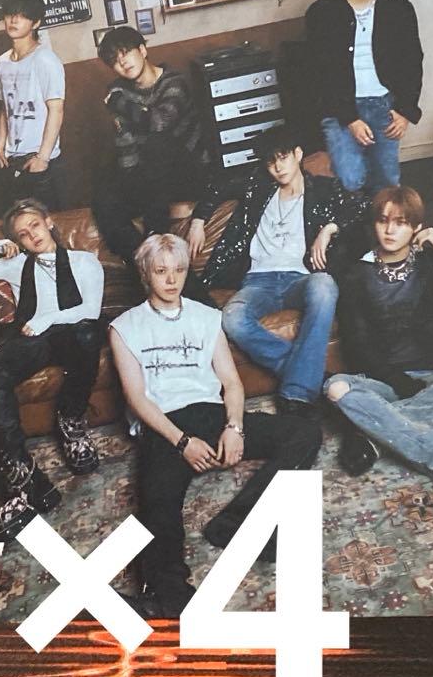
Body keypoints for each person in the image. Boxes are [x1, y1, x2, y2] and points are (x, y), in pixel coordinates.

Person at [109, 234, 321, 618]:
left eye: (179, 270)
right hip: (165, 425)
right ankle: (169, 594)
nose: (171, 280)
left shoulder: (206, 317)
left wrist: (234, 427)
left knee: (303, 432)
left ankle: (237, 522)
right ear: (145, 274)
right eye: (161, 271)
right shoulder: (124, 327)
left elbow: (232, 383)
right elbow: (137, 399)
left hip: (210, 413)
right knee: (157, 499)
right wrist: (181, 442)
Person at [187, 125, 367, 419]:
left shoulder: (323, 189)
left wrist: (329, 229)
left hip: (300, 279)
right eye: (271, 162)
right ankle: (308, 380)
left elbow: (362, 203)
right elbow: (217, 185)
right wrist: (198, 220)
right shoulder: (257, 187)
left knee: (324, 285)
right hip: (259, 282)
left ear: (298, 154)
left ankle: (297, 389)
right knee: (231, 317)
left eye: (283, 158)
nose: (278, 167)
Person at [324, 186, 433, 504]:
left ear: (415, 228)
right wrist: (400, 383)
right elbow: (357, 345)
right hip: (385, 382)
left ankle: (372, 437)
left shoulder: (430, 265)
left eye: (400, 222)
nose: (389, 230)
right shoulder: (356, 275)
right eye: (383, 221)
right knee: (335, 387)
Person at [0, 198, 105, 541]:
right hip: (33, 339)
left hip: (72, 333)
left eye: (35, 226)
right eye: (22, 234)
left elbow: (91, 309)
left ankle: (71, 422)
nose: (32, 236)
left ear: (49, 222)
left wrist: (48, 319)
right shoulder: (16, 265)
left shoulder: (85, 261)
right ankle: (24, 475)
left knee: (88, 334)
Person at [305, 0, 423, 195]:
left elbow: (412, 62)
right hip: (340, 108)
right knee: (350, 179)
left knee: (387, 182)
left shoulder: (399, 8)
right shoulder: (321, 13)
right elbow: (318, 74)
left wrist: (405, 110)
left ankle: (382, 222)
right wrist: (350, 118)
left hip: (384, 104)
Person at [92, 26, 212, 266]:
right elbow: (125, 142)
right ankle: (143, 259)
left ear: (143, 50)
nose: (122, 63)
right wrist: (131, 184)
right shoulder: (118, 91)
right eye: (114, 60)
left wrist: (121, 105)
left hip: (188, 170)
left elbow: (158, 123)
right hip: (150, 176)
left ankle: (155, 233)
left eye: (126, 53)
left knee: (157, 143)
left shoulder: (173, 82)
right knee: (103, 196)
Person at [0, 0, 67, 209]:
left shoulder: (45, 59)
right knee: (16, 220)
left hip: (39, 158)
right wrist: (0, 145)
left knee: (46, 221)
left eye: (22, 15)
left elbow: (56, 110)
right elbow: (5, 108)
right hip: (11, 159)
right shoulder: (1, 63)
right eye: (10, 14)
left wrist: (43, 158)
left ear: (35, 23)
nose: (14, 20)